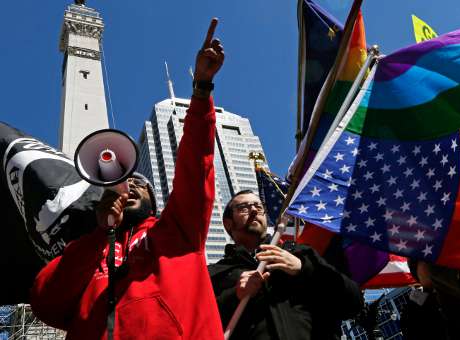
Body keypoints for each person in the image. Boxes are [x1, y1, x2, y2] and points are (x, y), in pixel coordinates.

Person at [30, 18, 225, 340]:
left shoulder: (177, 229)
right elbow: (46, 302)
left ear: (154, 201)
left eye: (139, 184)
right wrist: (99, 235)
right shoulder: (86, 249)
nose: (130, 186)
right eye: (123, 183)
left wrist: (201, 91)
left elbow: (195, 166)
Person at [208, 190, 363, 340]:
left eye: (259, 206)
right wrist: (235, 296)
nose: (254, 210)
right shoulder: (215, 274)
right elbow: (199, 325)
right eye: (244, 208)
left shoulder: (301, 253)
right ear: (228, 223)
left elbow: (353, 303)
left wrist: (303, 268)